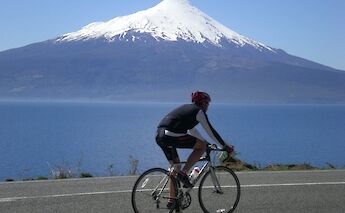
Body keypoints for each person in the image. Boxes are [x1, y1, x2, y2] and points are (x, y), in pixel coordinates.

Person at [155, 91, 234, 207]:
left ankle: (172, 201)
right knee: (200, 147)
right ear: (202, 103)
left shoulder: (188, 110)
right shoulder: (199, 112)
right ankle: (184, 173)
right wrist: (225, 147)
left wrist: (206, 142)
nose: (208, 106)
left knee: (175, 168)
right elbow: (211, 131)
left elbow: (192, 131)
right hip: (171, 135)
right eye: (207, 103)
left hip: (160, 135)